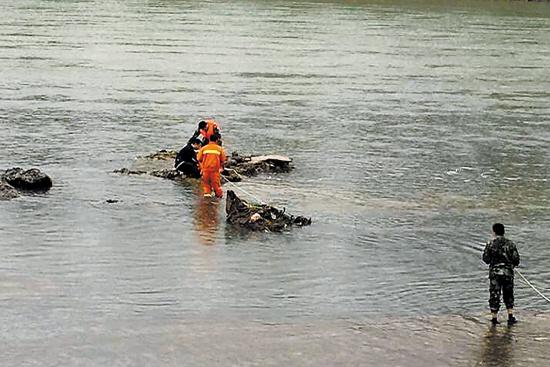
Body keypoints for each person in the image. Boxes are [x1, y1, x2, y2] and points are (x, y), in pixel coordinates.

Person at [482, 223, 520, 325]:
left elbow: (486, 259)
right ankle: (510, 316)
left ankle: (494, 318)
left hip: (495, 273)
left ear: (494, 231)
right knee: (508, 293)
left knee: (494, 294)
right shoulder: (510, 244)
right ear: (504, 231)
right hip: (508, 273)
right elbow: (516, 260)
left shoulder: (490, 243)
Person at [196, 133, 226, 198]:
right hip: (215, 171)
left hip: (205, 171)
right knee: (216, 186)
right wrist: (221, 168)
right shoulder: (219, 149)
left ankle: (207, 203)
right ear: (217, 140)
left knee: (206, 186)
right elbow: (223, 160)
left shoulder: (204, 148)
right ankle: (218, 201)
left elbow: (199, 159)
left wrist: (201, 168)